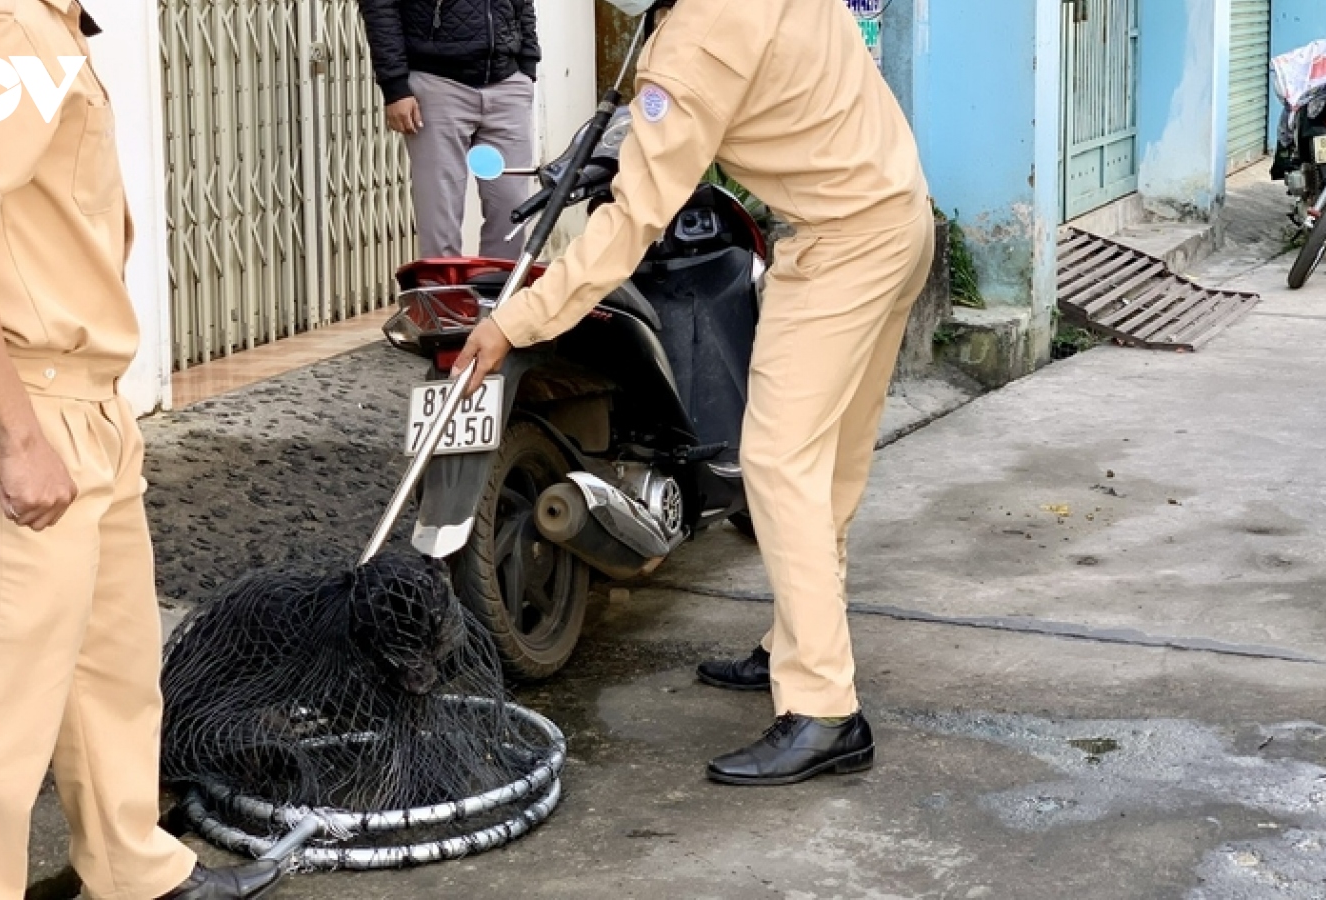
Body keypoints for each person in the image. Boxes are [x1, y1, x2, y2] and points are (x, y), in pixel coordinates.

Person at [0, 1, 279, 896]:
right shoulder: (5, 23)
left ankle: (134, 873)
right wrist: (3, 428)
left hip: (68, 399)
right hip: (27, 405)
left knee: (108, 669)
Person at [454, 0, 934, 786]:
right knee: (830, 468)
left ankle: (824, 709)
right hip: (898, 218)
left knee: (779, 465)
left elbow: (634, 219)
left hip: (840, 244)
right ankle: (797, 641)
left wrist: (518, 321)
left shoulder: (691, 46)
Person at [359, 0, 541, 260]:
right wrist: (395, 85)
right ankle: (443, 297)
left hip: (507, 83)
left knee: (512, 209)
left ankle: (501, 295)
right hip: (438, 83)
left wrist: (528, 66)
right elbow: (380, 6)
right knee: (440, 218)